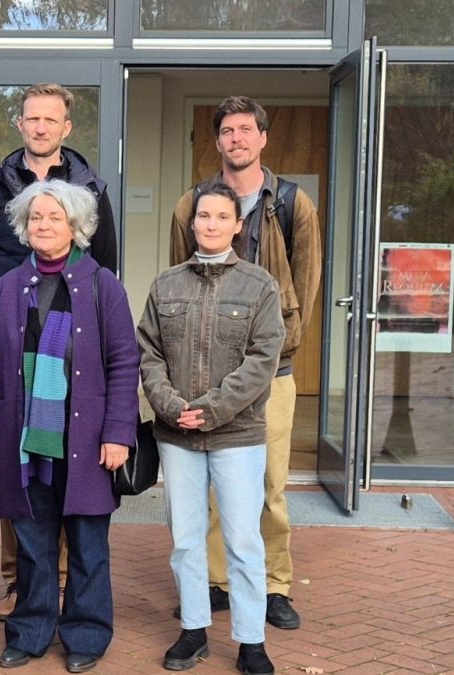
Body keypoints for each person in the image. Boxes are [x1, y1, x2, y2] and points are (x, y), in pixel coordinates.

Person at [0, 180, 138, 673]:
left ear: (76, 227)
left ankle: (86, 636)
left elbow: (125, 363)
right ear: (24, 226)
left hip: (86, 440)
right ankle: (31, 630)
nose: (44, 225)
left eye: (55, 218)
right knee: (34, 545)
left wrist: (118, 433)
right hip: (26, 441)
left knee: (86, 544)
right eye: (36, 217)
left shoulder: (103, 285)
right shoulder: (6, 288)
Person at [169, 95, 322, 630]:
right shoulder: (192, 203)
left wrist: (286, 346)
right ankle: (216, 581)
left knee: (270, 485)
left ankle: (275, 585)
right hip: (204, 373)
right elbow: (179, 279)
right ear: (217, 142)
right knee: (211, 483)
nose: (236, 138)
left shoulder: (292, 203)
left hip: (271, 372)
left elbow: (307, 282)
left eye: (245, 130)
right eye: (227, 131)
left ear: (262, 138)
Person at [0, 82, 119, 621]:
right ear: (21, 123)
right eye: (31, 118)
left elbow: (105, 262)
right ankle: (21, 589)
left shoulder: (90, 187)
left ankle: (67, 597)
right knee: (23, 488)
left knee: (72, 487)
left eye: (49, 119)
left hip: (69, 344)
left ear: (65, 128)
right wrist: (4, 314)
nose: (40, 127)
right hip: (18, 333)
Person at [143, 184, 284, 675]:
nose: (211, 223)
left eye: (222, 216)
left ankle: (251, 641)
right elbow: (149, 356)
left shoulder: (260, 286)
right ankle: (194, 631)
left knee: (243, 541)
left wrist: (211, 409)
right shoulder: (165, 285)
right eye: (204, 215)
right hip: (176, 434)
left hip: (237, 434)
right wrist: (169, 404)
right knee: (185, 539)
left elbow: (262, 360)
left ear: (237, 225)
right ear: (193, 222)